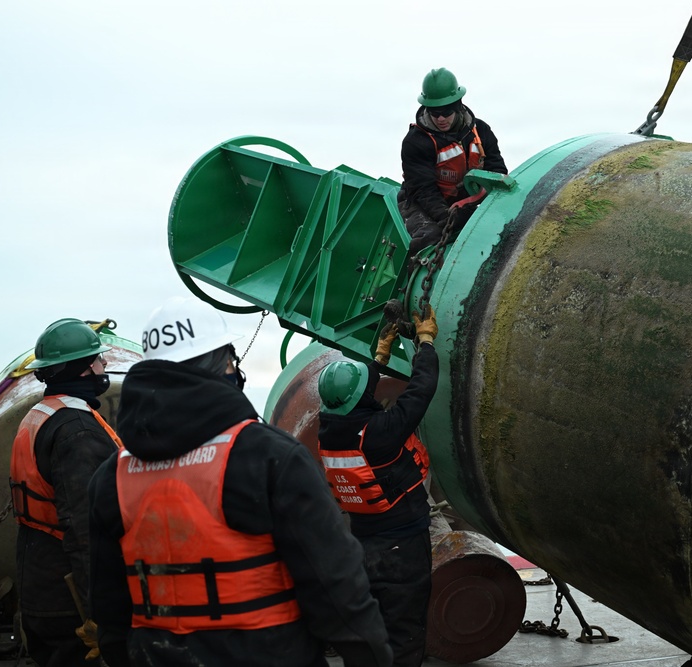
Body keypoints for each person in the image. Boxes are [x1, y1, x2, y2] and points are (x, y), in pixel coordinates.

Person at [87, 295, 393, 667]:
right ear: (226, 364)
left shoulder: (111, 477)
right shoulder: (270, 458)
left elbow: (108, 604)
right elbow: (336, 587)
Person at [316, 305, 439, 667]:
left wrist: (379, 359)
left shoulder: (329, 431)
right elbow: (421, 390)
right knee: (405, 633)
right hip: (403, 547)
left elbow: (356, 398)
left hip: (364, 545)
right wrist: (427, 342)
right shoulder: (380, 433)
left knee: (370, 633)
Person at [10, 318, 122, 666]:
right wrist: (98, 614)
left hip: (39, 582)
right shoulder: (77, 431)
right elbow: (86, 530)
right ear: (85, 368)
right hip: (68, 598)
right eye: (99, 360)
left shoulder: (42, 414)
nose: (104, 366)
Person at [398, 67, 508, 257]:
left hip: (465, 203)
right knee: (430, 237)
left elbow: (497, 171)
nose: (440, 118)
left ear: (458, 105)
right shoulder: (416, 141)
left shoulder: (481, 131)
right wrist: (446, 215)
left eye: (446, 111)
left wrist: (473, 205)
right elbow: (423, 190)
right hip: (422, 204)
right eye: (434, 112)